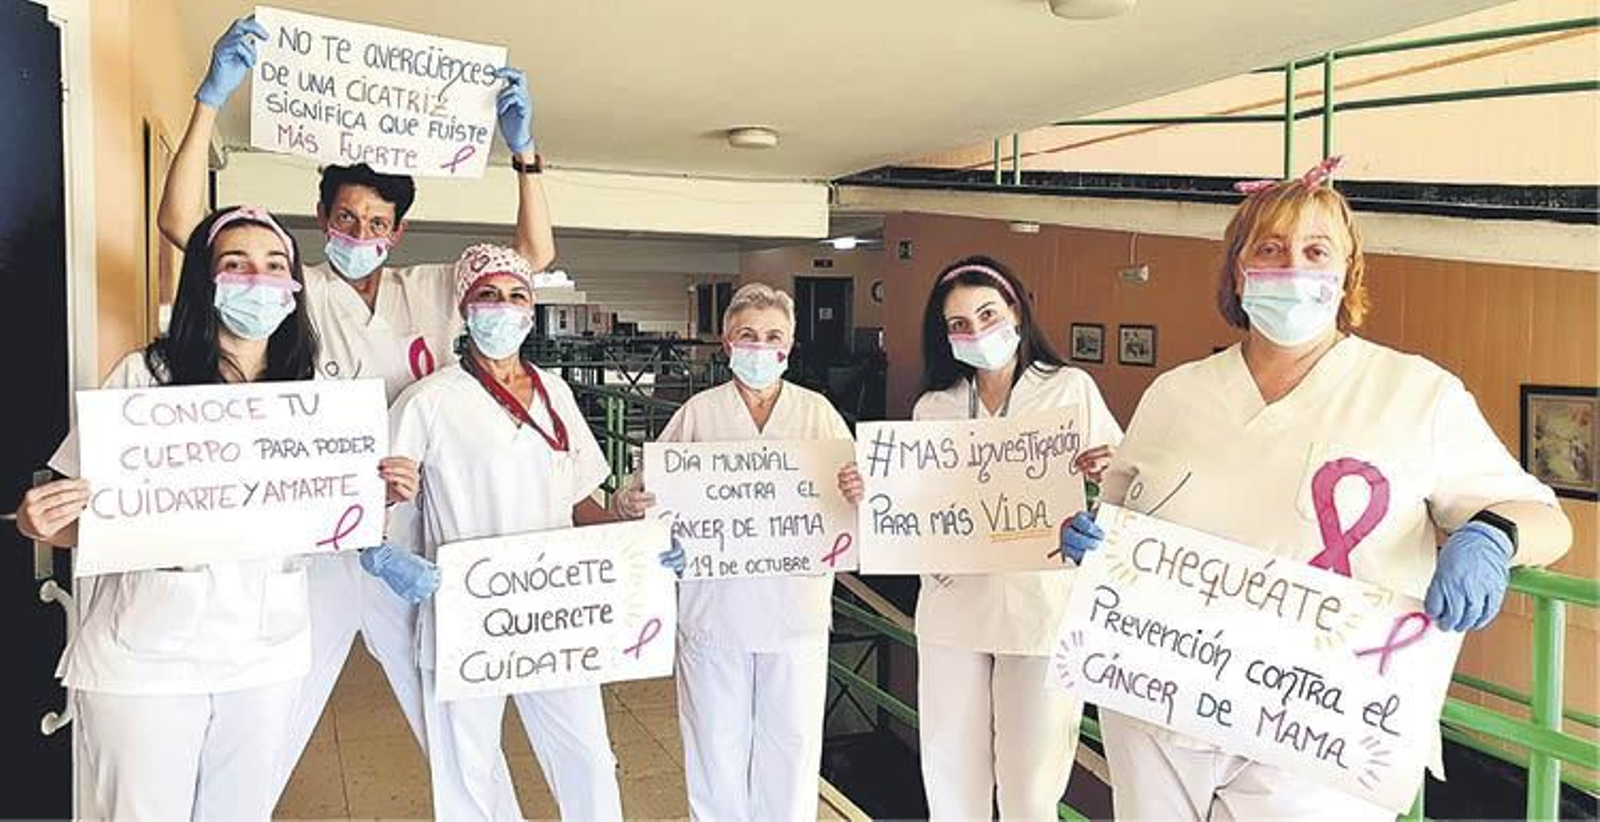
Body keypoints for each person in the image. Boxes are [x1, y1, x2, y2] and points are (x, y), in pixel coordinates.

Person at [1070, 159, 1573, 820]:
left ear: (1347, 272)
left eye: (1315, 250)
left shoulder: (1415, 394)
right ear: (1238, 269)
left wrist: (1491, 535)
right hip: (1161, 706)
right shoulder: (1176, 395)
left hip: (1321, 725)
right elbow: (1123, 512)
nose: (1291, 266)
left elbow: (1548, 521)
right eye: (1269, 248)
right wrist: (1094, 543)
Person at [156, 17, 559, 797]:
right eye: (347, 219)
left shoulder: (429, 289)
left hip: (417, 530)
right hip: (318, 530)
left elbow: (533, 257)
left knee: (454, 712)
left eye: (377, 223)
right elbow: (180, 227)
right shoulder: (294, 287)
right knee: (274, 713)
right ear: (323, 220)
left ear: (397, 232)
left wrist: (525, 156)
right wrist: (209, 102)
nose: (361, 232)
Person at [14, 206, 419, 820]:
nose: (259, 280)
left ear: (294, 286)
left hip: (265, 653)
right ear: (205, 281)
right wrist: (36, 523)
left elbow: (322, 523)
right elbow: (82, 518)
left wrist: (376, 495)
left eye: (275, 266)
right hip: (148, 656)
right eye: (237, 265)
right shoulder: (145, 378)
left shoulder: (311, 397)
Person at [392, 244, 682, 820]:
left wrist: (639, 546)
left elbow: (580, 502)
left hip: (557, 609)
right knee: (466, 766)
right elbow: (383, 501)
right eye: (488, 296)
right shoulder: (427, 401)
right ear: (465, 308)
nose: (504, 309)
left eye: (516, 296)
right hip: (473, 611)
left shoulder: (558, 395)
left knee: (588, 756)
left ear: (532, 309)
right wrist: (388, 556)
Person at [612, 283, 859, 821]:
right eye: (748, 335)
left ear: (789, 347)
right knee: (714, 751)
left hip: (796, 615)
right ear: (727, 343)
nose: (760, 346)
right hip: (714, 613)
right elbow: (642, 493)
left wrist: (862, 489)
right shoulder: (698, 414)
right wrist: (632, 503)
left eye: (773, 336)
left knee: (791, 753)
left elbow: (860, 505)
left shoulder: (818, 416)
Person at [906, 256, 1121, 821]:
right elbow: (915, 504)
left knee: (1031, 789)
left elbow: (1125, 484)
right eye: (958, 325)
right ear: (943, 336)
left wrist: (1104, 478)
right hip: (954, 607)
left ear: (1017, 313)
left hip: (1041, 607)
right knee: (952, 778)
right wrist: (874, 489)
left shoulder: (1070, 389)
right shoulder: (934, 408)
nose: (976, 333)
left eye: (986, 314)